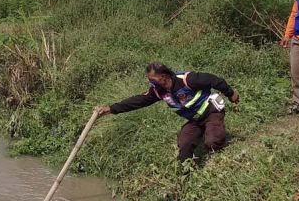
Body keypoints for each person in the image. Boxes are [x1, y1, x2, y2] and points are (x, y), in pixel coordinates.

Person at [96, 63, 240, 163]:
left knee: (212, 142)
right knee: (184, 144)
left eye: (153, 79)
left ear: (163, 77)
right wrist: (111, 109)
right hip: (195, 120)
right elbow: (138, 101)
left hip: (211, 112)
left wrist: (231, 93)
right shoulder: (158, 91)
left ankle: (218, 156)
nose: (150, 83)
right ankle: (184, 177)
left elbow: (213, 80)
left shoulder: (186, 80)